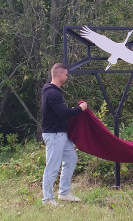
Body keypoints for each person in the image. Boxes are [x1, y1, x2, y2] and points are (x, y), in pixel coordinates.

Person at [41, 63, 88, 206]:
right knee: (52, 166)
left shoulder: (51, 91)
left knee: (71, 158)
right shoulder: (52, 93)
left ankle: (64, 193)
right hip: (54, 134)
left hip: (61, 134)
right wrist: (80, 109)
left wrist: (74, 109)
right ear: (59, 74)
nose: (67, 77)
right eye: (66, 74)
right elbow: (63, 113)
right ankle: (48, 199)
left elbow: (61, 112)